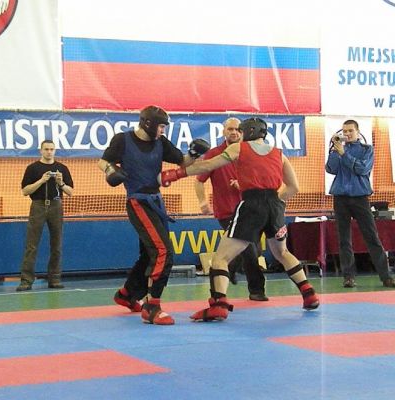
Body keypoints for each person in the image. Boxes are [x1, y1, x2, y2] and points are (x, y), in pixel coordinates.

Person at [160, 117, 320, 321]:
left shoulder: (239, 148)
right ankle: (309, 294)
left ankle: (218, 305)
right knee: (282, 252)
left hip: (251, 204)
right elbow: (293, 188)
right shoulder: (279, 153)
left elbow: (207, 165)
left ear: (247, 132)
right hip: (275, 205)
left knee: (220, 259)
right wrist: (273, 202)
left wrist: (175, 174)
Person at [98, 105, 210, 325]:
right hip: (138, 202)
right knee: (162, 251)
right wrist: (110, 171)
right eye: (161, 126)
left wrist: (193, 154)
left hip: (156, 202)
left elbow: (182, 161)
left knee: (150, 254)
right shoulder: (123, 140)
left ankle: (127, 295)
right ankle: (151, 307)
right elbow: (103, 161)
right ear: (148, 124)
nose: (162, 130)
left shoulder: (161, 142)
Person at [194, 117, 268, 301]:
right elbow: (199, 180)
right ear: (223, 132)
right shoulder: (214, 154)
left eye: (237, 129)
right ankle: (257, 290)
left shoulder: (250, 152)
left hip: (251, 210)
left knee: (254, 249)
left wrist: (244, 185)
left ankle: (231, 267)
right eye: (230, 129)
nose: (234, 132)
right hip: (227, 211)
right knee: (249, 249)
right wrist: (203, 202)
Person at [325, 119, 395, 288]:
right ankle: (348, 277)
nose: (347, 134)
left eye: (350, 131)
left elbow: (362, 169)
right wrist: (334, 151)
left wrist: (344, 154)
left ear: (357, 132)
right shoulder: (338, 149)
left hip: (360, 197)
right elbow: (331, 169)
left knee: (372, 237)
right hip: (340, 198)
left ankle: (386, 276)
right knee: (344, 239)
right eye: (344, 131)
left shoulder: (366, 149)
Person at [16, 140, 74, 291]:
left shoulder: (62, 168)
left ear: (55, 151)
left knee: (57, 244)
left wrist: (61, 183)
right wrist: (41, 180)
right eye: (46, 149)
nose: (49, 152)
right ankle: (26, 281)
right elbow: (25, 191)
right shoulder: (32, 168)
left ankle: (54, 279)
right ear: (40, 150)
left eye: (52, 149)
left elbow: (70, 192)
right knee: (31, 245)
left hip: (56, 205)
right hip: (38, 205)